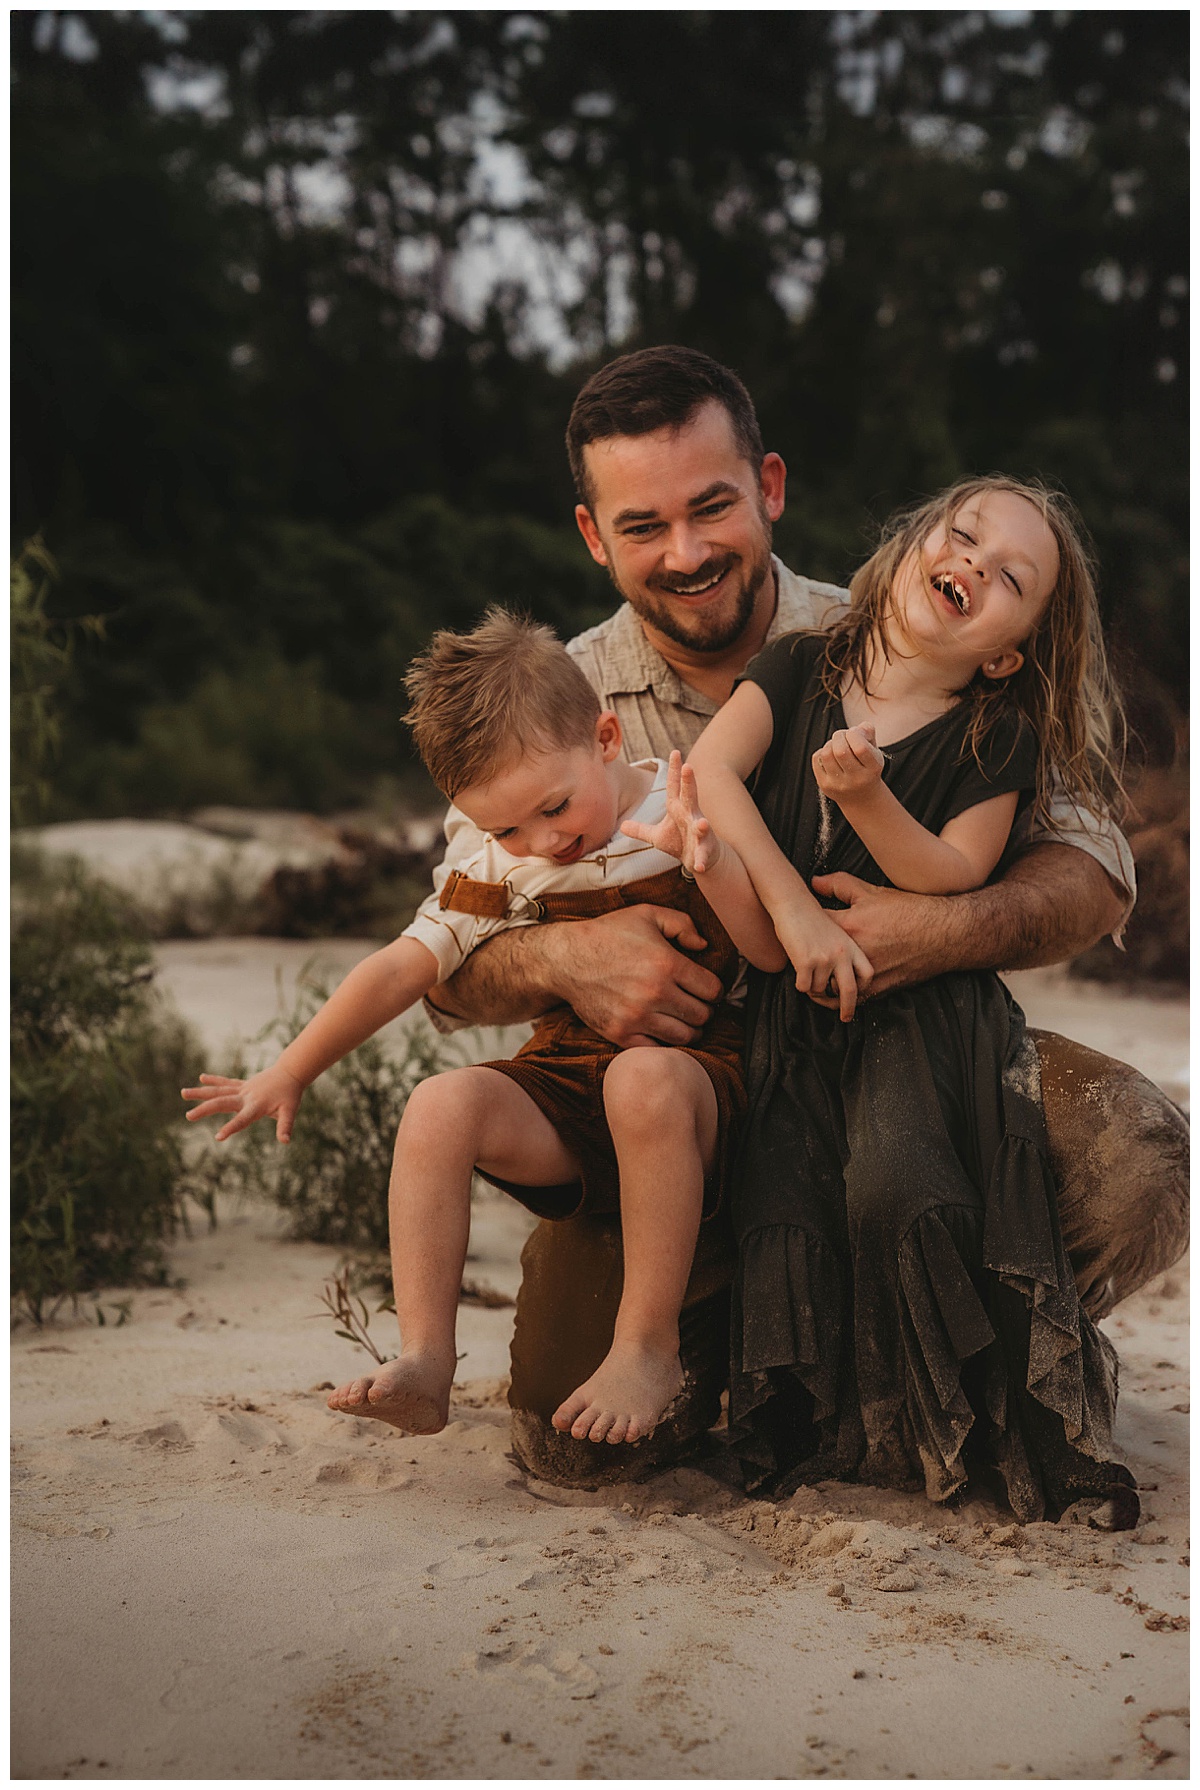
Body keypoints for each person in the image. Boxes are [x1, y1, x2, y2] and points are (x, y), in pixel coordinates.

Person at [421, 348, 1183, 1488]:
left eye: (713, 506)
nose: (686, 552)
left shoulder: (883, 631)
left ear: (770, 485)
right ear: (593, 536)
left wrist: (938, 929)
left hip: (894, 1066)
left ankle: (964, 1348)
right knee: (568, 1448)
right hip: (673, 1111)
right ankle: (714, 1326)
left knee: (1143, 1157)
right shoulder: (548, 696)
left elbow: (1095, 866)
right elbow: (449, 958)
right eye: (644, 525)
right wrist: (570, 953)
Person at [640, 474, 1139, 1526]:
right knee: (794, 1199)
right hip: (792, 1017)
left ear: (1007, 649)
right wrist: (797, 911)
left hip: (921, 1021)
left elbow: (958, 871)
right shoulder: (799, 661)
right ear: (915, 543)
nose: (975, 565)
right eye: (962, 537)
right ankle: (831, 1428)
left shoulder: (992, 732)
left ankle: (992, 1415)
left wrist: (867, 797)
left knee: (902, 1183)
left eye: (1011, 577)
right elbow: (718, 778)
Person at [183, 611, 766, 1445]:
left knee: (642, 1080)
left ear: (606, 738)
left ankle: (647, 1345)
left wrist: (716, 863)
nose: (543, 843)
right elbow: (399, 967)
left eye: (553, 808)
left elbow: (768, 951)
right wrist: (291, 1069)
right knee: (438, 1106)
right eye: (504, 828)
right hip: (571, 1090)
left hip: (699, 1087)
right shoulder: (495, 870)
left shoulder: (683, 814)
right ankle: (425, 1361)